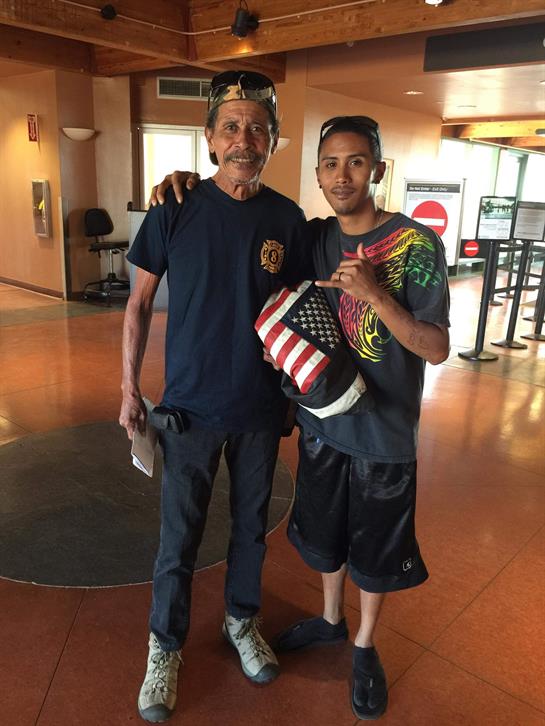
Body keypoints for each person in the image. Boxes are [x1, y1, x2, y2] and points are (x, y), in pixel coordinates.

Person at [155, 115, 450, 721]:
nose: (343, 176)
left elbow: (437, 347)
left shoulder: (418, 244)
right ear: (318, 173)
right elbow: (256, 250)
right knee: (324, 537)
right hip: (322, 422)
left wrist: (376, 297)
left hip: (384, 434)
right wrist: (185, 181)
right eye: (331, 164)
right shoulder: (312, 236)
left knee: (373, 546)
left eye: (357, 162)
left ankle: (365, 648)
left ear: (379, 170)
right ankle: (331, 622)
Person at [119, 70, 312, 723]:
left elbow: (299, 311)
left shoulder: (286, 219)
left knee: (251, 530)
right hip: (188, 410)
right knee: (180, 537)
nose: (244, 137)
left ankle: (240, 620)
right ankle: (164, 646)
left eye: (257, 127)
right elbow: (139, 303)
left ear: (272, 140)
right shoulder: (174, 206)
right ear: (208, 139)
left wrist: (292, 394)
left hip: (259, 408)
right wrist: (128, 389)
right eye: (231, 125)